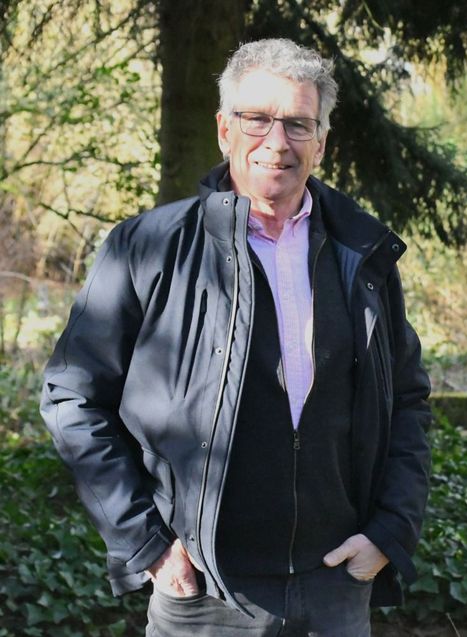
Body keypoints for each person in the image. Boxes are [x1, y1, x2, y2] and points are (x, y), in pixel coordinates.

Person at [40, 38, 432, 636]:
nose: (277, 142)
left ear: (321, 143)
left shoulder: (363, 254)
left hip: (335, 588)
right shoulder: (148, 248)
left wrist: (388, 534)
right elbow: (72, 397)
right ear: (225, 130)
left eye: (299, 124)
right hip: (205, 593)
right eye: (257, 119)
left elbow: (407, 400)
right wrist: (148, 546)